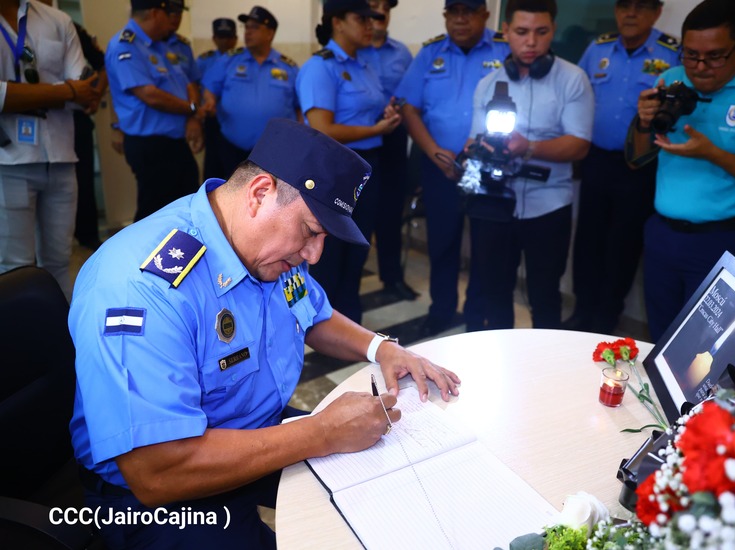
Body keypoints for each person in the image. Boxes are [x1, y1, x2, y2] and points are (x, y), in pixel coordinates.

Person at [69, 118, 461, 549]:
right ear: (259, 193)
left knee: (392, 487)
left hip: (258, 429)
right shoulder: (141, 288)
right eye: (310, 231)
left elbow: (312, 314)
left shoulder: (268, 249)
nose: (314, 254)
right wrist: (321, 432)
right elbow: (156, 471)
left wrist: (380, 348)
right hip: (160, 496)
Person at [628, 0, 735, 341]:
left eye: (714, 56)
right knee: (660, 337)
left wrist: (713, 154)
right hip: (662, 234)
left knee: (706, 348)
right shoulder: (671, 79)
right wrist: (643, 121)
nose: (699, 67)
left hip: (726, 240)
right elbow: (637, 158)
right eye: (690, 54)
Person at [466, 0, 593, 330]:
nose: (532, 42)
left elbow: (579, 144)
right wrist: (475, 150)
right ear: (506, 30)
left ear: (554, 30)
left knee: (545, 297)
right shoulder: (488, 84)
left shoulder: (573, 79)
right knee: (495, 295)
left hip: (549, 205)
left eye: (542, 32)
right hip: (495, 204)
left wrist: (528, 148)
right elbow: (473, 139)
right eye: (522, 32)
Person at [564, 0, 680, 334]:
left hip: (641, 168)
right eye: (624, 5)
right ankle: (582, 312)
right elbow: (578, 97)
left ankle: (605, 319)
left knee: (623, 247)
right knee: (587, 242)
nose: (631, 13)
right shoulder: (597, 49)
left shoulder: (672, 54)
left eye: (641, 6)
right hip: (596, 160)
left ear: (657, 12)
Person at [395, 0, 510, 334]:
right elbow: (409, 108)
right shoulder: (431, 53)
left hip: (487, 168)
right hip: (439, 167)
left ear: (485, 15)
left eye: (469, 12)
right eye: (454, 12)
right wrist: (435, 154)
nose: (461, 19)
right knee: (442, 242)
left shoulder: (504, 49)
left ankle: (477, 316)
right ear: (446, 16)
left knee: (485, 246)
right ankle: (441, 310)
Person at [296, 0, 401, 324]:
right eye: (361, 19)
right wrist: (375, 130)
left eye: (372, 19)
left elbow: (368, 108)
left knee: (357, 247)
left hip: (367, 165)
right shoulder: (320, 67)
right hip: (334, 169)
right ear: (337, 22)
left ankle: (348, 318)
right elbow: (322, 128)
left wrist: (385, 115)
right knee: (329, 252)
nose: (370, 25)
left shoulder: (363, 64)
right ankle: (322, 323)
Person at [0, 0, 101, 297]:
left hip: (60, 156)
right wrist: (66, 91)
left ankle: (57, 326)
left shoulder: (57, 20)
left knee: (59, 261)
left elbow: (87, 92)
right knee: (14, 267)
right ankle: (20, 328)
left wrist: (21, 95)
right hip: (8, 162)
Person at [106, 0, 203, 222]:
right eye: (167, 13)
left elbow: (187, 83)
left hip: (174, 142)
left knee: (187, 207)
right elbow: (150, 95)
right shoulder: (125, 46)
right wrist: (190, 109)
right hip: (150, 144)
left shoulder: (160, 45)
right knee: (154, 214)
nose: (172, 19)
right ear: (154, 13)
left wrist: (192, 115)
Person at [359, 0, 418, 301]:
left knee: (391, 210)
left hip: (393, 138)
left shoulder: (402, 53)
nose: (380, 11)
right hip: (359, 140)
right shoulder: (356, 49)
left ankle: (392, 278)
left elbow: (411, 95)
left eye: (385, 5)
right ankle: (347, 284)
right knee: (356, 212)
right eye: (373, 4)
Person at [201, 6, 301, 180]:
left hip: (275, 152)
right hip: (232, 148)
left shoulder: (288, 67)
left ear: (270, 33)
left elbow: (299, 108)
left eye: (254, 27)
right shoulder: (229, 60)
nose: (247, 32)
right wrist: (210, 101)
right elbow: (210, 88)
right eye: (246, 27)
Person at [72, 22, 108, 251]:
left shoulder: (68, 26)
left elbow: (102, 65)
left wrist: (95, 96)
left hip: (73, 117)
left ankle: (87, 235)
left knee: (83, 182)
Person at [197, 17, 237, 181]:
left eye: (228, 37)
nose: (225, 41)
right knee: (212, 165)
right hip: (212, 119)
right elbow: (195, 88)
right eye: (221, 37)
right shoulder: (203, 61)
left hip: (233, 120)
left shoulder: (239, 60)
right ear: (214, 38)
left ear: (235, 39)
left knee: (233, 167)